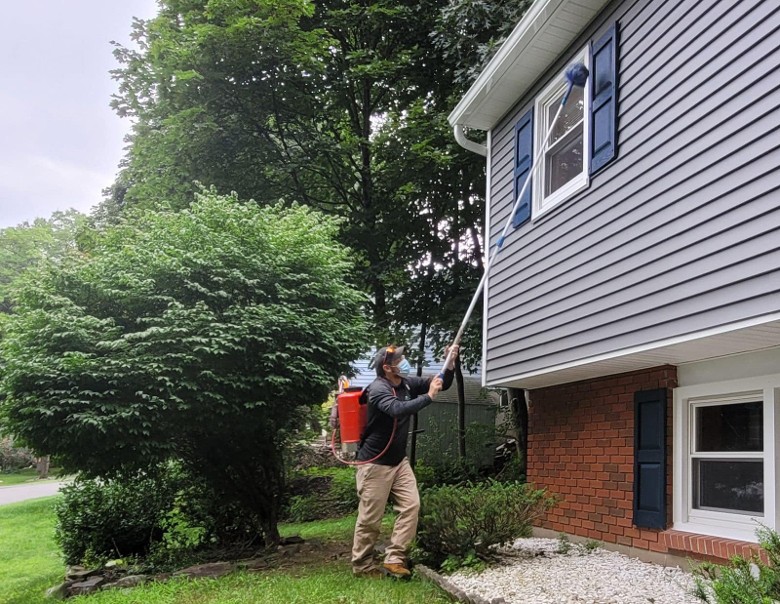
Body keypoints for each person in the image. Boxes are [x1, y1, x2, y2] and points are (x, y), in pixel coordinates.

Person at [351, 344, 458, 579]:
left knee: (411, 506)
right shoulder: (377, 389)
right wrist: (428, 398)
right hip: (374, 463)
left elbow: (441, 382)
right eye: (400, 360)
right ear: (387, 367)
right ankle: (362, 565)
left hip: (398, 462)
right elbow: (397, 409)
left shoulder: (407, 382)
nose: (405, 361)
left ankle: (395, 558)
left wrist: (449, 364)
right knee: (371, 518)